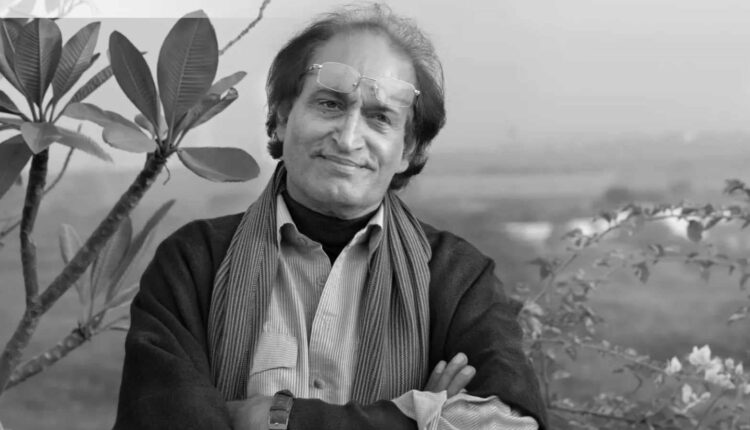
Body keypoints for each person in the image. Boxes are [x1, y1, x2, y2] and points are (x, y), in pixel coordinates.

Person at [113, 4, 547, 430]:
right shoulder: (194, 264)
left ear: (408, 150)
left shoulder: (457, 278)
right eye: (330, 104)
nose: (348, 137)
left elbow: (512, 424)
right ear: (282, 118)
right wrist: (416, 419)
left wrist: (280, 418)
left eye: (380, 117)